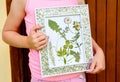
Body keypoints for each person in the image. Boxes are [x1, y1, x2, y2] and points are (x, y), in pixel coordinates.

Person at [2, 0, 105, 82]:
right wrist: (27, 42)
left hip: (76, 77)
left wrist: (98, 50)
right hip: (41, 78)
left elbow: (81, 32)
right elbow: (7, 32)